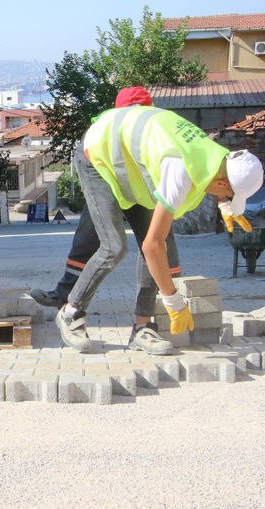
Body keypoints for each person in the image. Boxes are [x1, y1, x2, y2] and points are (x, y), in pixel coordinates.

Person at [55, 103, 263, 354]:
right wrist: (174, 302)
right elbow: (154, 246)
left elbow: (218, 177)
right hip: (99, 153)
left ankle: (143, 328)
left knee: (149, 245)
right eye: (228, 195)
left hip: (132, 164)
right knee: (115, 247)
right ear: (221, 181)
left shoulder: (218, 155)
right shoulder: (180, 170)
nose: (225, 198)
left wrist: (224, 203)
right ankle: (71, 311)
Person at [31, 87, 182, 332]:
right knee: (93, 235)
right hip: (103, 178)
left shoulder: (151, 130)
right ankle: (66, 294)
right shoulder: (105, 129)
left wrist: (175, 286)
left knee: (154, 240)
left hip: (136, 184)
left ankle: (145, 320)